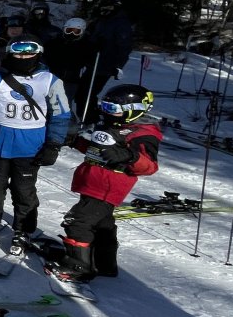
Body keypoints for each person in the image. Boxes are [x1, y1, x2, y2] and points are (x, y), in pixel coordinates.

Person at [0, 35, 72, 253]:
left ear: (38, 54)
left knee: (23, 191)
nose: (23, 57)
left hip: (30, 148)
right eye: (18, 54)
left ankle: (23, 229)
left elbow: (61, 116)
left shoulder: (50, 81)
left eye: (28, 53)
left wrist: (53, 145)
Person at [45, 84, 160, 282]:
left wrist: (128, 156)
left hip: (108, 186)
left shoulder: (142, 134)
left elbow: (149, 166)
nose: (107, 113)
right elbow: (98, 150)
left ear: (133, 110)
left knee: (78, 221)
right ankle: (104, 263)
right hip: (93, 182)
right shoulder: (113, 126)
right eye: (105, 107)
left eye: (113, 109)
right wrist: (76, 142)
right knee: (102, 224)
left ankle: (78, 266)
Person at [79, 0, 133, 125]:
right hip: (93, 63)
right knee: (82, 93)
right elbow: (91, 37)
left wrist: (118, 65)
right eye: (103, 7)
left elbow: (124, 46)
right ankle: (88, 118)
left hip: (105, 65)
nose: (104, 9)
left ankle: (90, 120)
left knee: (86, 93)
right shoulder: (101, 20)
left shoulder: (120, 23)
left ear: (115, 8)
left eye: (108, 7)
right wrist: (90, 42)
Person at [54, 18, 98, 111]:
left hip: (71, 80)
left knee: (65, 102)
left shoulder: (85, 46)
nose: (72, 34)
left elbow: (91, 61)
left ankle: (65, 120)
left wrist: (96, 47)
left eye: (76, 32)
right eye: (69, 31)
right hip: (54, 78)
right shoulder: (56, 43)